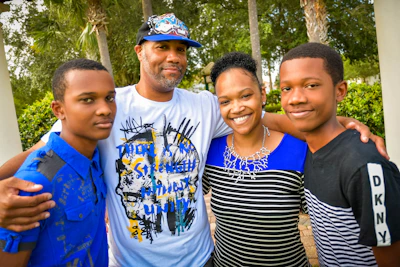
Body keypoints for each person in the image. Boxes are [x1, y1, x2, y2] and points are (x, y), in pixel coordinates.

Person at [0, 14, 387, 267]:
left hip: (202, 259)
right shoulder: (108, 106)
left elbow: (264, 116)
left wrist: (341, 122)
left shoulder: (204, 105)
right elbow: (43, 154)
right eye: (162, 47)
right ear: (140, 51)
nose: (173, 57)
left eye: (181, 49)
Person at [279, 42, 400, 266]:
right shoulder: (308, 148)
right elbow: (258, 117)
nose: (295, 98)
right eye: (287, 88)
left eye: (311, 85)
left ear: (340, 91)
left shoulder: (364, 165)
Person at [0, 59, 116, 266]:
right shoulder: (34, 183)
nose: (105, 109)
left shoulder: (97, 158)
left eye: (109, 98)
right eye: (88, 100)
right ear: (59, 110)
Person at [202, 52, 309, 266]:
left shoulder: (298, 152)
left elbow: (325, 219)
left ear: (262, 94)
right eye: (225, 101)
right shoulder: (210, 152)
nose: (237, 108)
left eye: (245, 96)